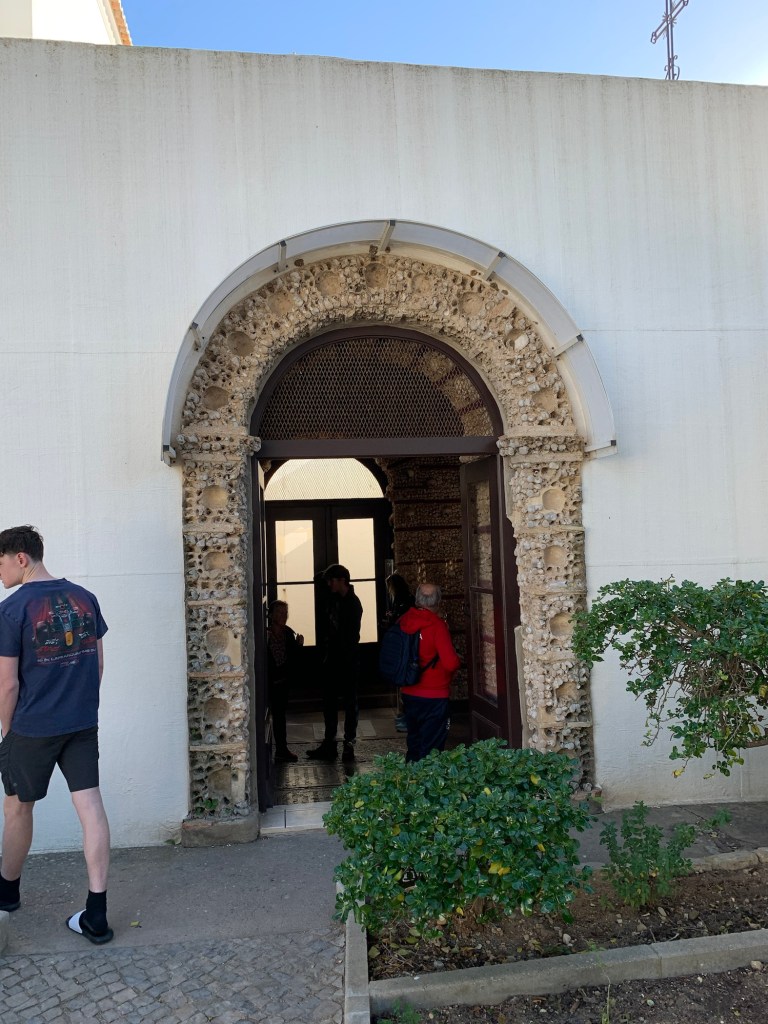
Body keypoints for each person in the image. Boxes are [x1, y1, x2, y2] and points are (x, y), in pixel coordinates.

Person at [0, 525, 113, 943]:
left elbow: (7, 685)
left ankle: (7, 893)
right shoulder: (86, 598)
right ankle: (96, 914)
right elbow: (97, 663)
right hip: (81, 723)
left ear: (20, 558)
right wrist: (82, 708)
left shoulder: (12, 610)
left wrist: (8, 733)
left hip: (32, 727)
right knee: (91, 808)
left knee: (18, 808)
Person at [398, 582, 460, 762]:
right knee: (432, 749)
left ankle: (411, 775)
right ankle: (427, 779)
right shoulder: (437, 626)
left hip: (409, 692)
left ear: (417, 599)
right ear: (438, 601)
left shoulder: (404, 621)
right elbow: (450, 663)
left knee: (414, 742)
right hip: (434, 695)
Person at [306, 564, 362, 763]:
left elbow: (349, 637)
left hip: (347, 661)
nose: (329, 584)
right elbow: (317, 578)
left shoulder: (353, 604)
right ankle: (329, 743)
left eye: (332, 580)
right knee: (329, 703)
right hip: (332, 660)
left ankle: (348, 743)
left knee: (350, 703)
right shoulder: (332, 599)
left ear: (341, 581)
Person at [266, 599, 303, 763]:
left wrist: (298, 645)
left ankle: (281, 749)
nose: (283, 616)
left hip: (283, 681)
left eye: (285, 613)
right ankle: (279, 749)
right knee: (274, 715)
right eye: (280, 612)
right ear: (271, 615)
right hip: (270, 682)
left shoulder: (288, 634)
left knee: (280, 716)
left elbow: (294, 659)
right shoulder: (265, 635)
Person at [382, 573, 414, 733]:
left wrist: (392, 618)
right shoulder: (403, 599)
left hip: (403, 643)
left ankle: (407, 715)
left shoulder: (404, 600)